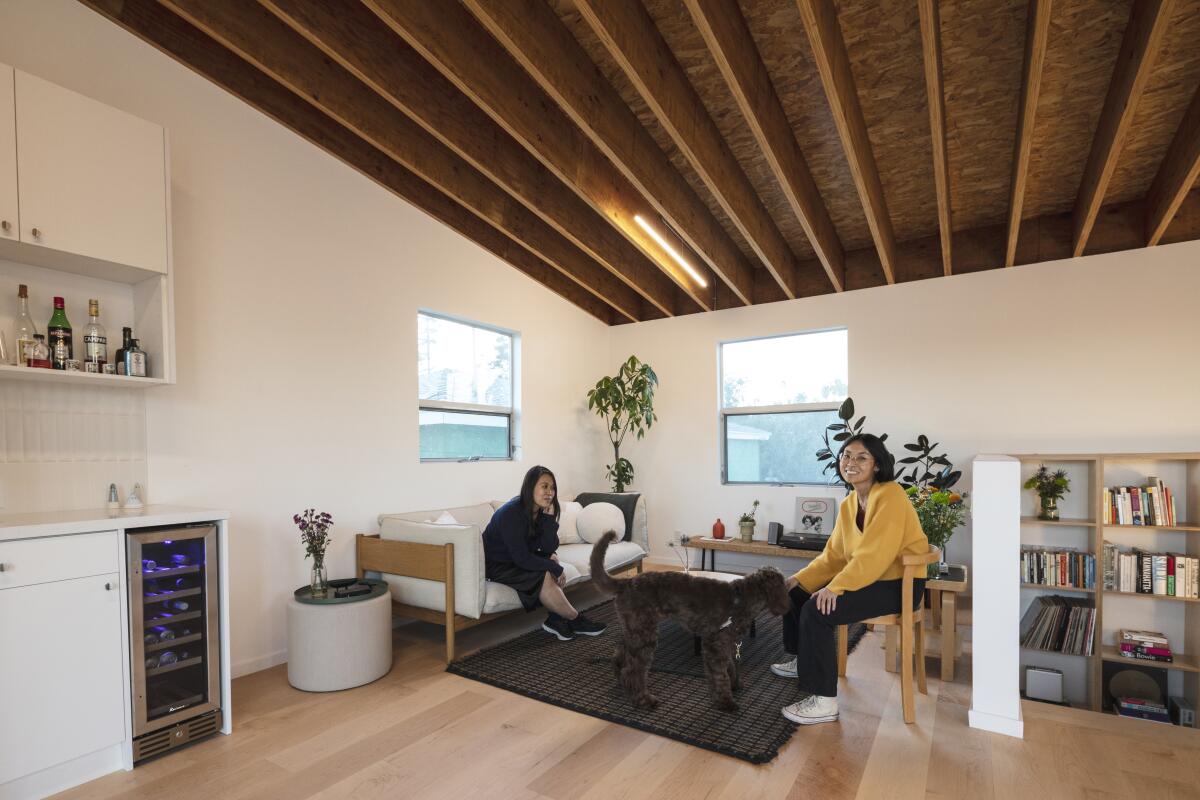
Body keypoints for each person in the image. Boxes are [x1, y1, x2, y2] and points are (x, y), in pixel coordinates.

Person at [772, 433, 929, 725]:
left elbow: (875, 556)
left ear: (877, 465)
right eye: (846, 456)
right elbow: (833, 556)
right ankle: (802, 660)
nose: (850, 462)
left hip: (898, 585)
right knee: (795, 593)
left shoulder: (891, 495)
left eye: (861, 457)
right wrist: (798, 579)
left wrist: (835, 587)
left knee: (818, 609)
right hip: (868, 578)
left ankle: (824, 702)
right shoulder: (849, 504)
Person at [482, 465, 606, 641]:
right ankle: (575, 619)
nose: (550, 492)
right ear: (530, 487)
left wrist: (548, 521)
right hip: (498, 565)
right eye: (544, 486)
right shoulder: (511, 513)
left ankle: (556, 619)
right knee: (548, 571)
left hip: (516, 559)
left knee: (551, 563)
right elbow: (522, 558)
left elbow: (548, 547)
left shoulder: (539, 511)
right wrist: (553, 566)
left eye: (553, 487)